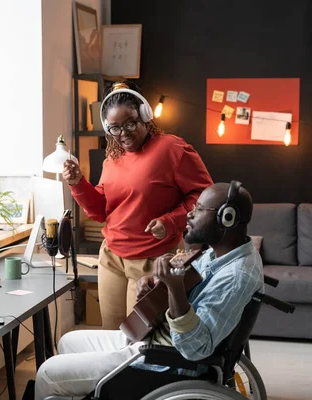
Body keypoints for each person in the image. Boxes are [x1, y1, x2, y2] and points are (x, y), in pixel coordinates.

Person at [27, 182, 263, 400]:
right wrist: (155, 282)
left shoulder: (236, 276)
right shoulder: (220, 252)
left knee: (48, 373)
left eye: (200, 209)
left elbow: (196, 348)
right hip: (156, 339)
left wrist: (174, 288)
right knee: (68, 341)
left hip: (164, 361)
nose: (190, 213)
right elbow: (188, 286)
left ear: (227, 219)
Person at [63, 81, 213, 329]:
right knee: (111, 334)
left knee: (140, 338)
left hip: (153, 260)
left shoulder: (172, 149)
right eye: (115, 128)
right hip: (112, 258)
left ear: (145, 116)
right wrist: (78, 183)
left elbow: (205, 196)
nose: (124, 134)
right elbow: (101, 210)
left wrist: (171, 221)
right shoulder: (112, 158)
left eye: (131, 124)